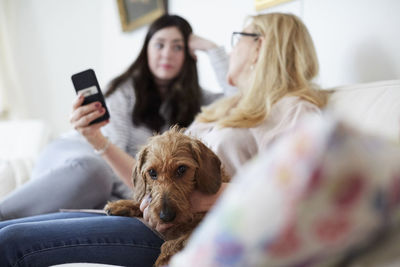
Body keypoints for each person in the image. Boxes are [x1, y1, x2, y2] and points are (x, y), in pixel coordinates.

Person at [0, 13, 328, 267]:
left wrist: (205, 198)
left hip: (182, 231)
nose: (232, 47)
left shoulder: (294, 108)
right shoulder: (229, 109)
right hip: (149, 214)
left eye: (238, 38)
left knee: (11, 242)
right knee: (6, 233)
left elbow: (309, 186)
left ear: (261, 46)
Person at [0, 14, 234, 221]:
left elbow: (239, 101)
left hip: (111, 184)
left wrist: (211, 48)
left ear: (188, 54)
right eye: (159, 44)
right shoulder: (124, 90)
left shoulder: (198, 99)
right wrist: (143, 197)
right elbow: (109, 163)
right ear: (146, 50)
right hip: (81, 154)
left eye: (177, 47)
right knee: (97, 172)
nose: (167, 54)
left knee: (99, 197)